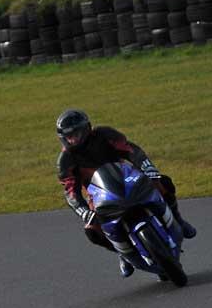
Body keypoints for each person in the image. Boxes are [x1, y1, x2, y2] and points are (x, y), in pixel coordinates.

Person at [55, 109, 196, 278]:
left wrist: (149, 169)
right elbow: (70, 192)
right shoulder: (65, 160)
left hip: (127, 176)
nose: (73, 138)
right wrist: (84, 212)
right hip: (99, 194)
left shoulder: (105, 134)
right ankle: (122, 253)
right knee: (92, 229)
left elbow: (132, 151)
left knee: (162, 181)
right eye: (69, 136)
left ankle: (178, 220)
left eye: (76, 133)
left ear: (87, 128)